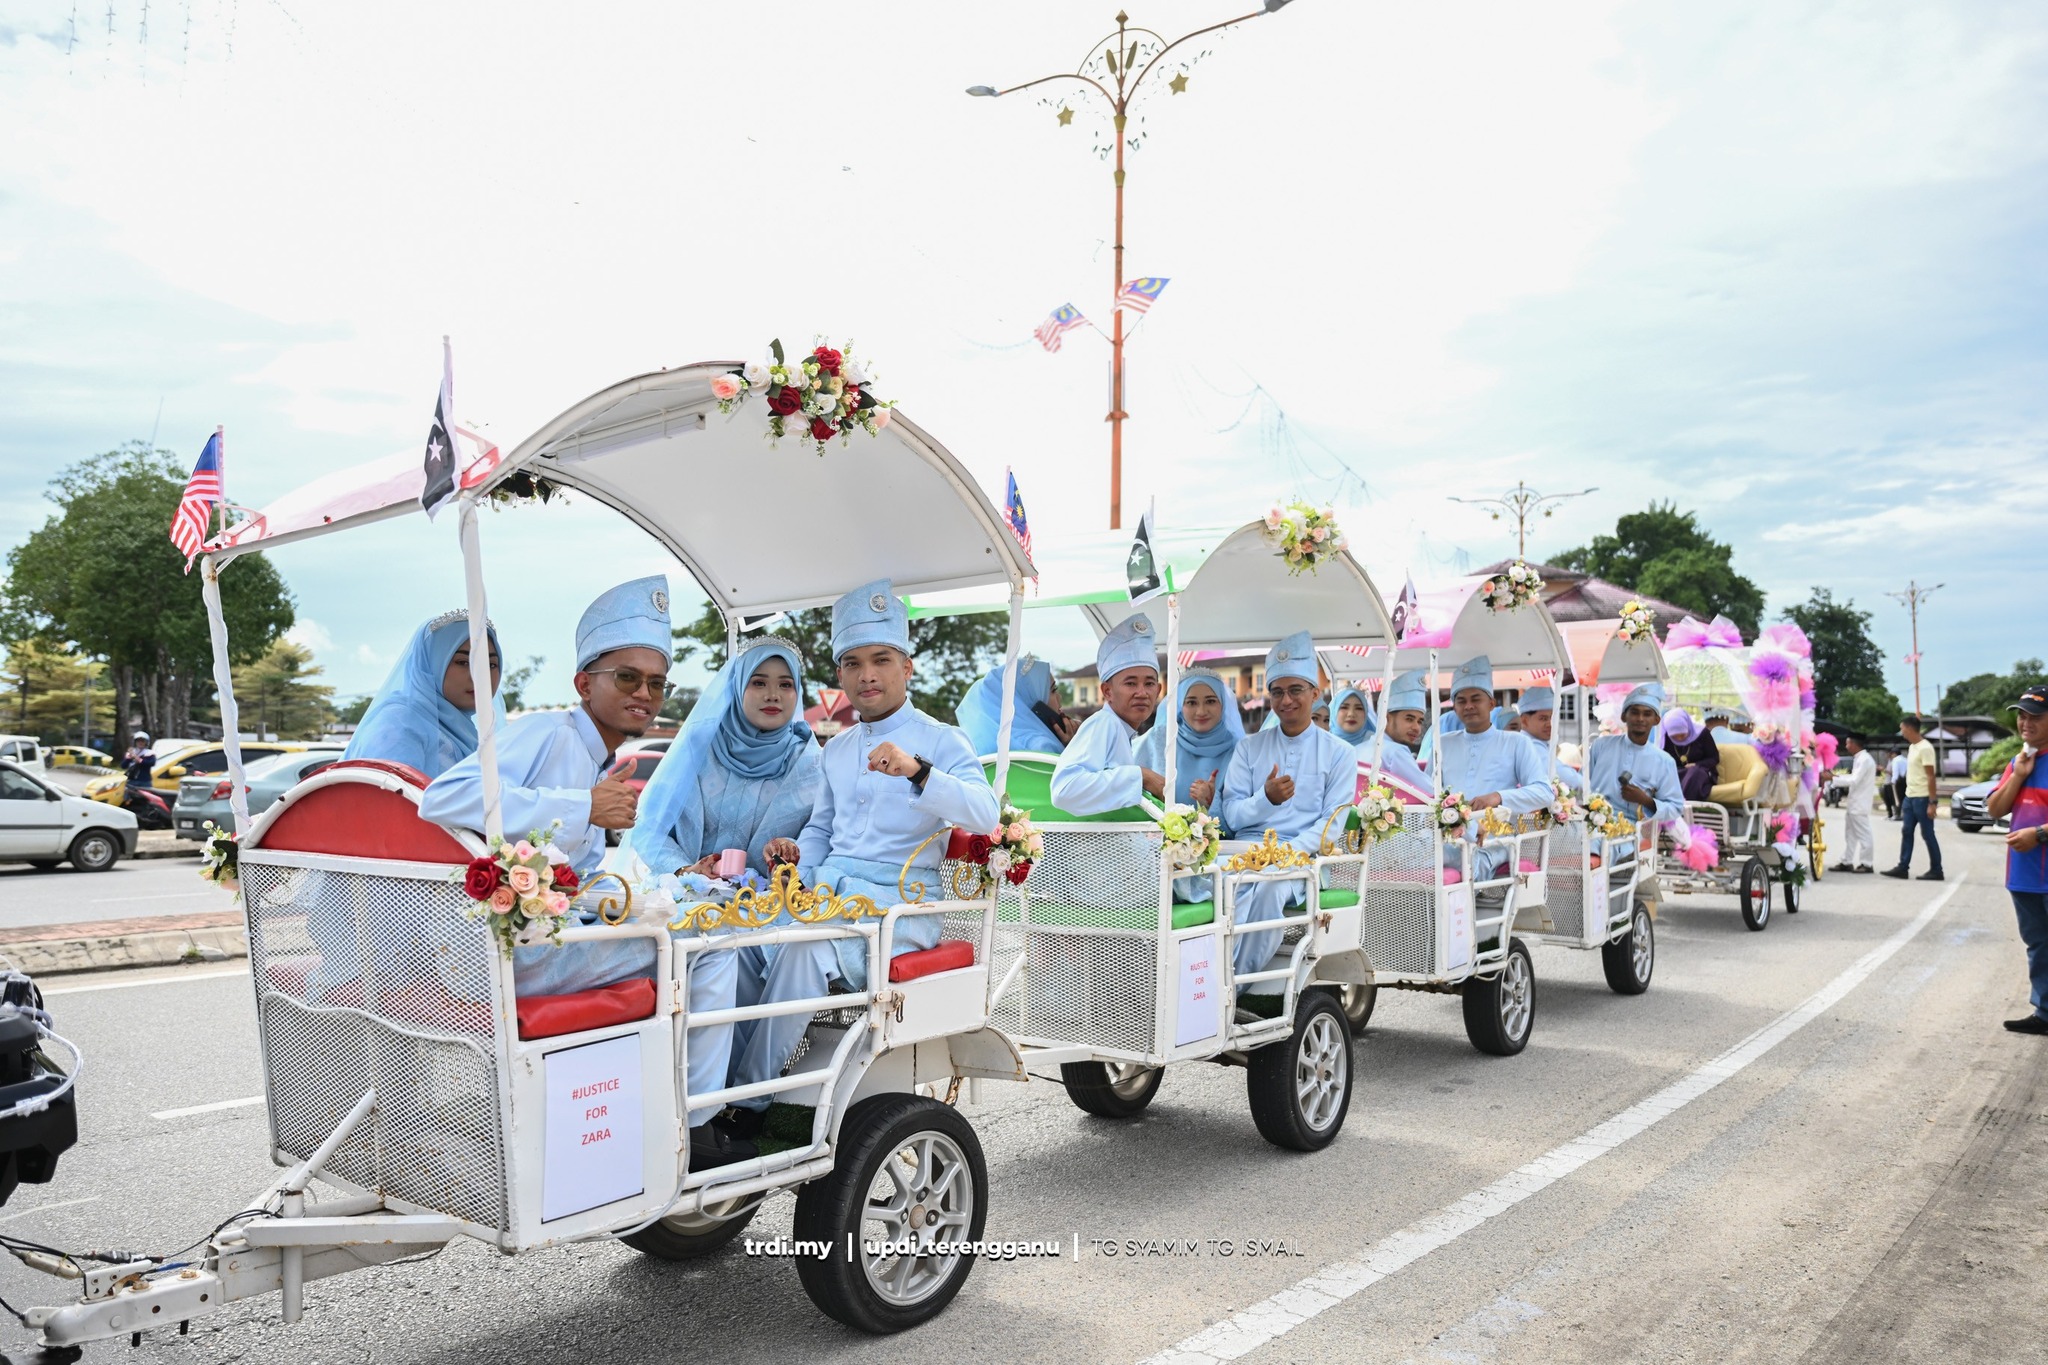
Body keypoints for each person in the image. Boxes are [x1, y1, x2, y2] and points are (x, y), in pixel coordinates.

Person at [417, 577, 753, 1170]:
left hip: (537, 939)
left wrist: (665, 890)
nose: (644, 694)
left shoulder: (595, 753)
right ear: (584, 684)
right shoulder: (546, 733)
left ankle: (672, 1104)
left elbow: (584, 874)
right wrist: (581, 808)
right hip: (513, 953)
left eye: (656, 683)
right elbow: (442, 798)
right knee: (716, 948)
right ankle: (698, 1121)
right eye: (627, 678)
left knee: (694, 921)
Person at [720, 580, 999, 1137]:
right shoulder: (839, 748)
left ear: (907, 668)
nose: (867, 674)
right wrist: (799, 860)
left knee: (804, 952)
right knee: (738, 946)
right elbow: (824, 827)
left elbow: (985, 814)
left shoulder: (941, 740)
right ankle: (720, 1087)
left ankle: (747, 1108)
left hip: (900, 908)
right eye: (853, 663)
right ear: (840, 676)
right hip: (829, 893)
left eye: (881, 660)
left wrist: (920, 771)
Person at [1219, 632, 1356, 991]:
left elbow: (1331, 824)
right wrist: (1265, 798)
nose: (1286, 700)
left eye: (1296, 690)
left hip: (1301, 857)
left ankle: (1233, 986)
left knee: (1268, 888)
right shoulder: (1249, 747)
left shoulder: (1339, 753)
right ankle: (1196, 976)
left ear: (1315, 692)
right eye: (1277, 692)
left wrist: (1284, 854)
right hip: (1243, 852)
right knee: (1195, 878)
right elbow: (1232, 816)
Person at [626, 636, 821, 881]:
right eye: (758, 683)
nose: (773, 695)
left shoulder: (809, 762)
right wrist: (685, 871)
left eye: (785, 685)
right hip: (688, 899)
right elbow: (649, 826)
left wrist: (788, 851)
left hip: (769, 904)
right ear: (737, 686)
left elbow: (821, 836)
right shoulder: (699, 746)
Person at [1432, 656, 1557, 883]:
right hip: (1446, 839)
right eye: (1461, 701)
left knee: (1470, 863)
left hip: (1494, 842)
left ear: (1491, 703)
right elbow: (1428, 794)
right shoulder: (1442, 743)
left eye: (1475, 699)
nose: (1468, 706)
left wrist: (1498, 797)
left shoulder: (1516, 742)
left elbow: (1544, 793)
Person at [343, 610, 505, 779]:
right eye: (463, 662)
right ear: (430, 664)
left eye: (491, 664)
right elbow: (387, 799)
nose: (480, 675)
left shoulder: (465, 732)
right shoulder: (401, 723)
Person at [1050, 617, 1164, 812]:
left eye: (1149, 684)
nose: (1142, 693)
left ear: (1159, 690)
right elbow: (1065, 790)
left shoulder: (1121, 728)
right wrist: (1142, 776)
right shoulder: (1104, 723)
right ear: (1107, 691)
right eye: (1130, 683)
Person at [1986, 685, 2048, 1034]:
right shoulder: (2020, 761)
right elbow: (1995, 809)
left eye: (2035, 717)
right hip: (2023, 875)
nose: (2026, 723)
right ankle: (2044, 1013)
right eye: (2022, 715)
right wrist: (2019, 776)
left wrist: (2037, 834)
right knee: (2038, 945)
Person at [1135, 669, 1245, 810]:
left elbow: (1246, 813)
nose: (1201, 711)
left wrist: (1214, 803)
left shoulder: (1239, 750)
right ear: (1180, 705)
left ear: (1223, 704)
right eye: (1191, 703)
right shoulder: (1161, 740)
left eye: (1210, 701)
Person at [1585, 686, 1686, 831]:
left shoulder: (1664, 761)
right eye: (1634, 712)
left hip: (1628, 832)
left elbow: (1675, 808)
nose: (1640, 718)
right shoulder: (1600, 746)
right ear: (1623, 716)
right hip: (1590, 823)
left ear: (1656, 720)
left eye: (1647, 714)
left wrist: (1646, 800)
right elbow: (1581, 784)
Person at [956, 655, 1074, 756]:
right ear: (1030, 699)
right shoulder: (1044, 746)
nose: (1059, 697)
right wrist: (1072, 746)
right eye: (1053, 690)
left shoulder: (975, 748)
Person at [1881, 715, 1943, 881]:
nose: (1901, 732)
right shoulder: (1912, 747)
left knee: (1927, 834)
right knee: (1906, 831)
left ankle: (1937, 870)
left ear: (1909, 728)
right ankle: (1903, 867)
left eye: (1902, 728)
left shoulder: (1925, 748)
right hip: (1910, 797)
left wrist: (1932, 802)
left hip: (1922, 798)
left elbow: (1931, 777)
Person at [1369, 669, 1434, 803]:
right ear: (1386, 718)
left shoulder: (1361, 747)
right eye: (1409, 719)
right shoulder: (1395, 752)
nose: (1416, 727)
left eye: (1420, 721)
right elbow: (1431, 792)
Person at [1832, 732, 1877, 873]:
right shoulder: (1860, 758)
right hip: (1854, 803)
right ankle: (1847, 860)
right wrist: (1835, 777)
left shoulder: (1865, 760)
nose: (1846, 746)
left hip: (1860, 804)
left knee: (1864, 835)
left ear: (1854, 744)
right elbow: (1853, 777)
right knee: (1850, 835)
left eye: (1847, 743)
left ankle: (1867, 863)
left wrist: (1832, 779)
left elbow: (1854, 780)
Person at [1661, 708, 1721, 802]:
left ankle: (1682, 804)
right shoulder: (1666, 739)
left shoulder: (1702, 733)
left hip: (1701, 771)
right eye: (1674, 736)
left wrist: (1697, 765)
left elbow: (1714, 758)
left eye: (1682, 734)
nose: (1679, 739)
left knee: (1694, 772)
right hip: (1678, 773)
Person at [1887, 748, 1907, 818]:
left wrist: (1893, 782)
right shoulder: (1905, 759)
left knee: (1897, 799)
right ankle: (1904, 814)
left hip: (1898, 782)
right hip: (1905, 780)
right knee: (1904, 797)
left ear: (1894, 754)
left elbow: (1895, 772)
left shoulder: (1895, 760)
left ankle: (1897, 815)